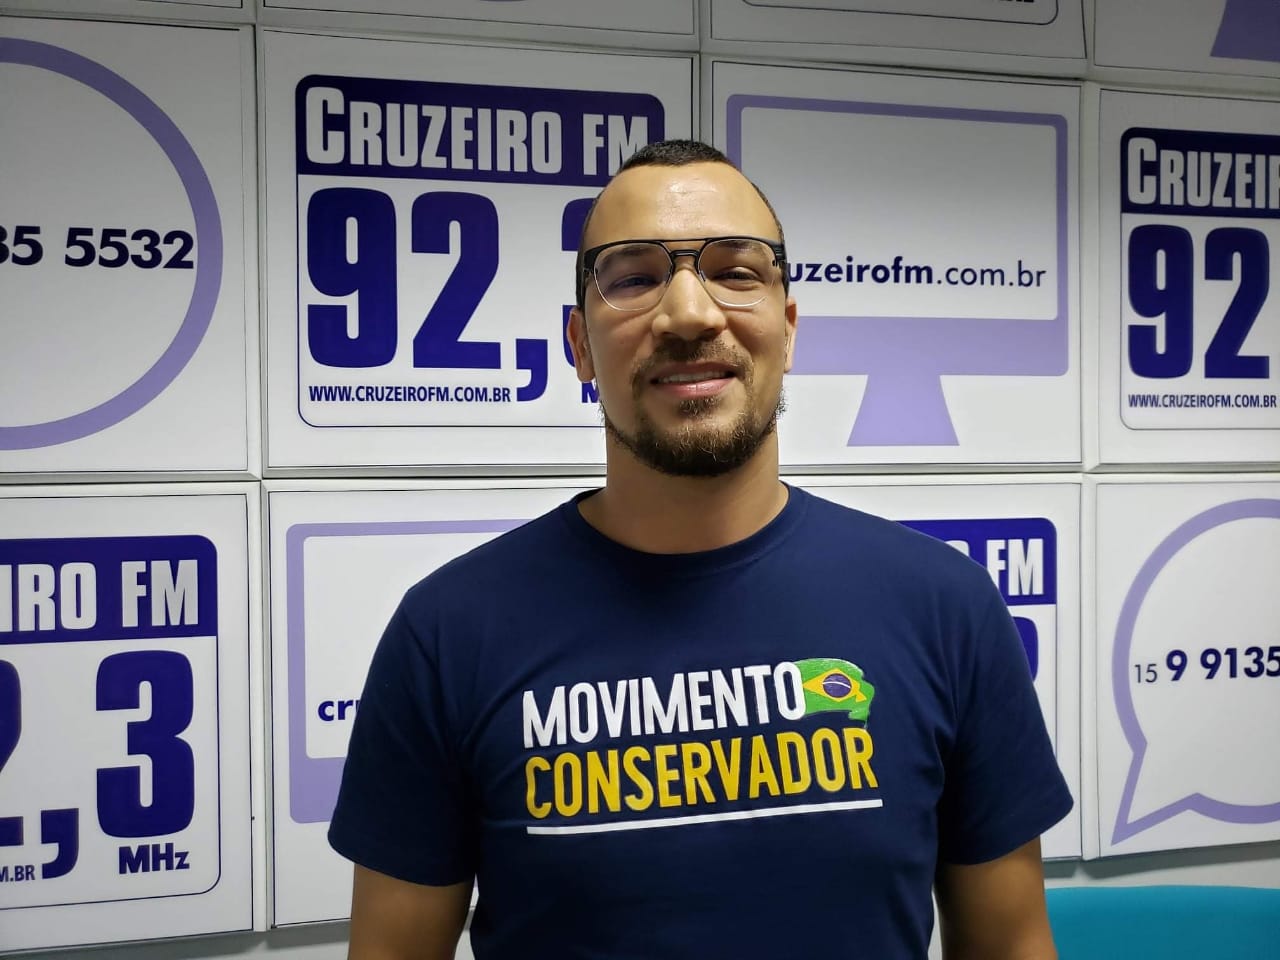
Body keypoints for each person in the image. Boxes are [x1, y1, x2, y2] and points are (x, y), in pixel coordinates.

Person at [329, 139, 1072, 959]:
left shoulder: (945, 607)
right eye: (633, 278)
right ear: (580, 346)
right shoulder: (447, 633)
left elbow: (1012, 945)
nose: (689, 313)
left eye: (736, 271)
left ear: (788, 328)